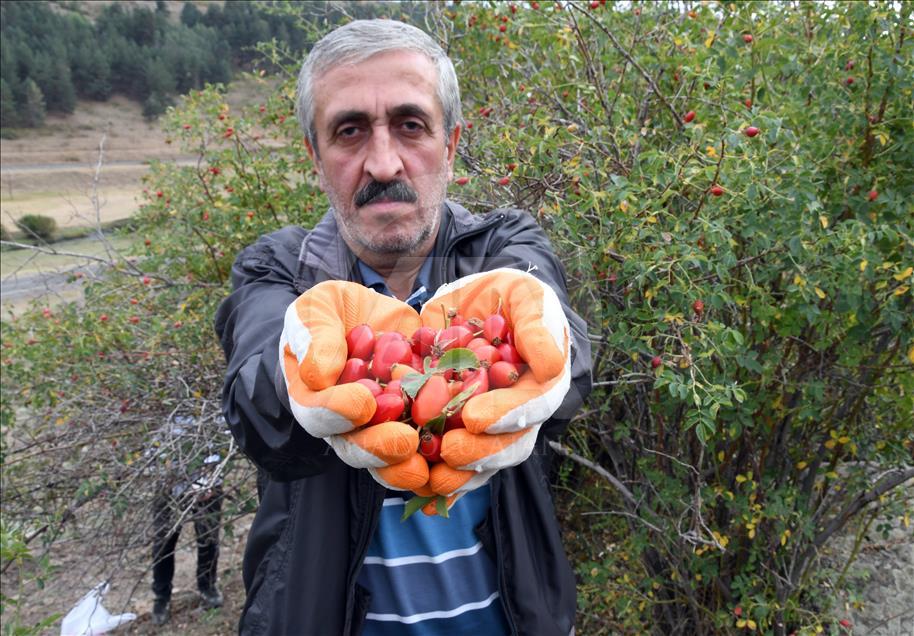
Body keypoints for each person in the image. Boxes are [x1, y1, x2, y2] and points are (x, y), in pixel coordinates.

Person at [215, 19, 592, 636]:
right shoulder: (277, 268)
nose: (383, 161)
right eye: (349, 131)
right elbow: (257, 412)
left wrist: (550, 349)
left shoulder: (503, 245)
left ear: (450, 144)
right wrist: (298, 374)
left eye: (411, 125)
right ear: (315, 154)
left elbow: (560, 345)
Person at [149, 417, 225, 626]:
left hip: (208, 482)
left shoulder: (205, 396)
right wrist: (167, 475)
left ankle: (207, 586)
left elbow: (222, 434)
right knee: (164, 541)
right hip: (168, 485)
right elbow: (150, 442)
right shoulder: (159, 404)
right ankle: (161, 597)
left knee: (208, 536)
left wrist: (208, 478)